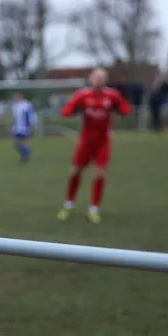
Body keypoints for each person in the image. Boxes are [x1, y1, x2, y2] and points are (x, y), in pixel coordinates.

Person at [56, 67, 131, 224]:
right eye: (97, 77)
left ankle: (94, 209)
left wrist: (122, 109)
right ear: (90, 79)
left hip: (103, 142)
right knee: (75, 172)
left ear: (106, 80)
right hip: (85, 141)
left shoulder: (112, 95)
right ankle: (68, 204)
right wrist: (70, 110)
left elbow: (125, 108)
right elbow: (66, 110)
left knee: (100, 174)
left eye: (102, 78)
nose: (99, 80)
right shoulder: (82, 95)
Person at [11, 92, 36, 163]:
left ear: (20, 97)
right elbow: (14, 118)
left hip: (24, 127)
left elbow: (31, 115)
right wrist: (13, 127)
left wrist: (31, 125)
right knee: (17, 143)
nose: (14, 98)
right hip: (17, 127)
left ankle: (25, 155)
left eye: (15, 96)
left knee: (19, 142)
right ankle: (26, 152)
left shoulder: (26, 105)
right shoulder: (15, 106)